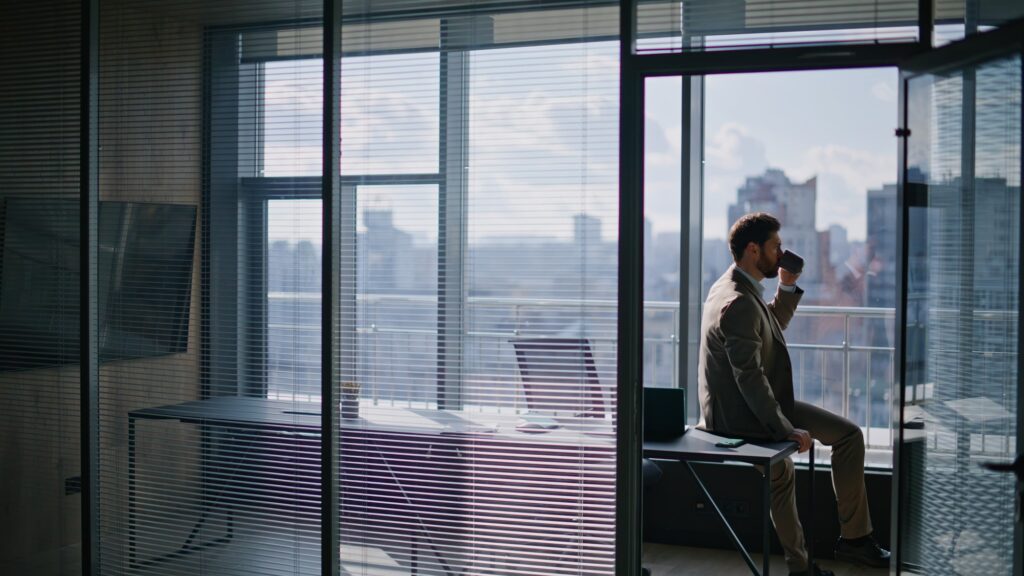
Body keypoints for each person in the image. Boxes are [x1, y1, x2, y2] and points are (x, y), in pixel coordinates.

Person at [697, 213, 890, 576]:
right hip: (739, 415)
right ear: (754, 250)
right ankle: (807, 565)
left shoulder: (733, 287)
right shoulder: (738, 300)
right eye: (776, 247)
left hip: (751, 404)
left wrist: (786, 286)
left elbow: (769, 325)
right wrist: (785, 428)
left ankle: (852, 541)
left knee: (848, 436)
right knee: (783, 468)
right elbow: (749, 377)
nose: (782, 254)